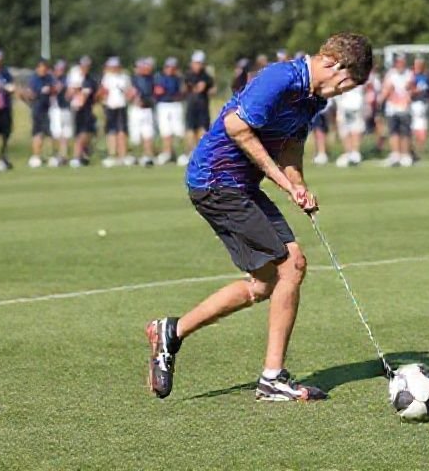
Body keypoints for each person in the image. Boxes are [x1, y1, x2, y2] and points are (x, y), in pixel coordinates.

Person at [146, 32, 373, 402]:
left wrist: (298, 184)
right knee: (292, 266)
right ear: (333, 63)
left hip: (241, 186)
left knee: (269, 281)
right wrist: (283, 183)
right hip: (216, 181)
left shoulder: (313, 100)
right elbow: (237, 127)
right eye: (347, 83)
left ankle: (171, 331)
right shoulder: (280, 79)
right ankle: (272, 379)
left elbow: (291, 149)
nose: (345, 91)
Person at [380, 54, 414, 167]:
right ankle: (396, 154)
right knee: (393, 132)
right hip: (392, 107)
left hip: (404, 107)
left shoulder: (409, 74)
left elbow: (410, 88)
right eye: (399, 62)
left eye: (402, 62)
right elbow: (386, 89)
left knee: (405, 132)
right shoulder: (390, 74)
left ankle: (405, 155)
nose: (401, 64)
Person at [99, 57, 133, 168]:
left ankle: (122, 155)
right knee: (111, 131)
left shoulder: (124, 77)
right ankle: (112, 155)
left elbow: (129, 91)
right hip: (110, 106)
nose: (114, 69)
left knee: (122, 131)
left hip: (121, 106)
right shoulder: (106, 78)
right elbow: (103, 92)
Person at [155, 57, 187, 166]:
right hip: (163, 105)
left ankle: (182, 153)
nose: (170, 69)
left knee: (179, 131)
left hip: (175, 105)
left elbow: (182, 92)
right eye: (168, 67)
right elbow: (158, 91)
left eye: (173, 67)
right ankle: (167, 153)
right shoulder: (160, 78)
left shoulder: (178, 79)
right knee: (166, 131)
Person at [184, 50, 216, 156]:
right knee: (190, 129)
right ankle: (190, 152)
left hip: (203, 105)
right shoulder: (188, 75)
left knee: (203, 129)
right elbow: (189, 88)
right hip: (191, 105)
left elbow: (213, 90)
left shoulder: (207, 76)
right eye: (196, 63)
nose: (197, 65)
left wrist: (207, 87)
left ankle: (200, 153)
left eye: (200, 63)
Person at [68, 56, 99, 168]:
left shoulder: (90, 80)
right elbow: (70, 95)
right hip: (78, 109)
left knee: (87, 133)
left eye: (87, 66)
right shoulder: (76, 78)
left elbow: (87, 96)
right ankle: (77, 157)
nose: (85, 68)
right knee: (81, 134)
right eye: (83, 66)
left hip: (86, 109)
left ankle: (82, 154)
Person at [334, 64, 366, 167]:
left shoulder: (357, 76)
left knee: (355, 129)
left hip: (354, 105)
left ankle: (355, 153)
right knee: (345, 130)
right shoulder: (339, 76)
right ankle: (349, 153)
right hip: (345, 105)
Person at [128, 57, 158, 166]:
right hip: (136, 110)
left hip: (147, 109)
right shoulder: (133, 79)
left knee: (148, 133)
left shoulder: (151, 79)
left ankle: (147, 156)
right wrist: (133, 98)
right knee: (136, 135)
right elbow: (129, 93)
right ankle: (136, 155)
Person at [27, 58, 55, 168]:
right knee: (38, 133)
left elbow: (55, 88)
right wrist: (40, 92)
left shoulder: (49, 77)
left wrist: (51, 89)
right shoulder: (34, 79)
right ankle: (36, 156)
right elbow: (30, 94)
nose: (44, 70)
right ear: (37, 68)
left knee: (49, 133)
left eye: (45, 68)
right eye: (42, 68)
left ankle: (50, 155)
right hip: (37, 109)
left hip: (47, 109)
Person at [48, 60, 73, 167]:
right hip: (55, 109)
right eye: (58, 69)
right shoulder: (51, 79)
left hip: (65, 108)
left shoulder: (66, 79)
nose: (60, 71)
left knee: (65, 133)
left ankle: (63, 155)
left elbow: (68, 94)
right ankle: (57, 154)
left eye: (62, 69)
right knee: (56, 133)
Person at [410, 57, 429, 158]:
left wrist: (411, 90)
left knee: (419, 127)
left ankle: (419, 149)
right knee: (416, 127)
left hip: (419, 103)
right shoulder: (413, 76)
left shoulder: (422, 77)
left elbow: (417, 90)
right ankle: (415, 149)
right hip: (415, 103)